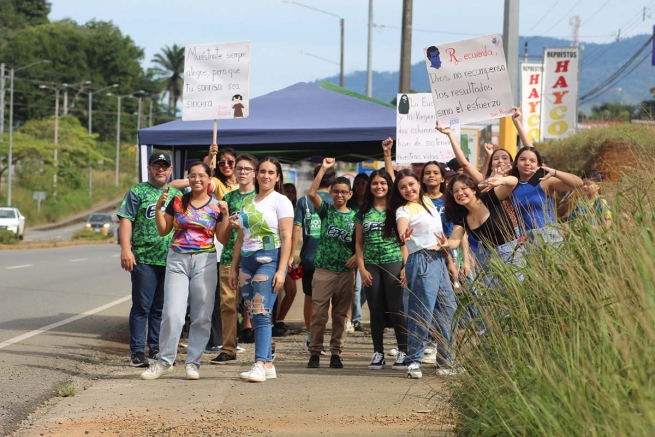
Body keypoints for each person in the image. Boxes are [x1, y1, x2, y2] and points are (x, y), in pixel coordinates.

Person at [141, 161, 230, 381]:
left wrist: (226, 215)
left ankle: (193, 363)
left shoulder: (217, 206)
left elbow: (223, 238)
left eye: (201, 175)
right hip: (177, 260)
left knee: (201, 315)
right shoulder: (177, 201)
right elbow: (164, 231)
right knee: (172, 314)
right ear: (188, 178)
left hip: (205, 260)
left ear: (210, 179)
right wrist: (161, 209)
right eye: (192, 175)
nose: (196, 179)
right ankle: (164, 362)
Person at [383, 169, 457, 379]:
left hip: (440, 260)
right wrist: (402, 234)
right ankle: (413, 362)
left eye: (411, 184)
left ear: (419, 183)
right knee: (421, 312)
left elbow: (441, 235)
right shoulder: (403, 210)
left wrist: (449, 261)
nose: (408, 189)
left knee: (449, 310)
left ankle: (445, 361)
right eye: (402, 187)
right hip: (422, 260)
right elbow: (402, 226)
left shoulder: (428, 202)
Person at [229, 157, 294, 383]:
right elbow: (240, 238)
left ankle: (258, 363)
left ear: (277, 177)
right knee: (253, 313)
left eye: (271, 172)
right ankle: (267, 364)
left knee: (262, 311)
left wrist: (281, 270)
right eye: (263, 171)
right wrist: (234, 268)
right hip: (247, 261)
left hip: (270, 258)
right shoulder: (248, 203)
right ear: (256, 174)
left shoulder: (281, 201)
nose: (266, 176)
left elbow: (287, 237)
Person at [118, 152, 180, 368]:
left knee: (160, 308)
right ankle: (137, 351)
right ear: (149, 168)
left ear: (171, 170)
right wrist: (126, 249)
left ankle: (155, 347)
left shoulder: (176, 194)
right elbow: (126, 220)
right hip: (144, 258)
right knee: (142, 306)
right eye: (157, 166)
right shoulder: (137, 191)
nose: (161, 170)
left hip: (171, 258)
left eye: (165, 166)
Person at [354, 168, 408, 370]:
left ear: (389, 186)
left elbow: (404, 244)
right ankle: (378, 353)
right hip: (371, 266)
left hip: (393, 261)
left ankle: (403, 351)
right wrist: (362, 267)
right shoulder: (363, 212)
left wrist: (405, 268)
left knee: (397, 309)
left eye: (383, 183)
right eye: (375, 183)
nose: (379, 187)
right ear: (370, 187)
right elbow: (358, 243)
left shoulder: (398, 210)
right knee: (375, 310)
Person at [307, 158, 357, 369]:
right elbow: (311, 194)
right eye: (336, 191)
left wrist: (357, 256)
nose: (339, 195)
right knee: (318, 313)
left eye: (343, 192)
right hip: (324, 271)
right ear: (330, 192)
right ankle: (315, 352)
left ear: (350, 194)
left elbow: (361, 242)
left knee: (340, 315)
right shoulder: (326, 210)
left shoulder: (356, 217)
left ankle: (336, 352)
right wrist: (324, 169)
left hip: (346, 273)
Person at [510, 107, 583, 244]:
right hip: (526, 241)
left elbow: (578, 183)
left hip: (550, 237)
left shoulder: (541, 180)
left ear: (538, 165)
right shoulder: (512, 184)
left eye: (532, 161)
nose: (527, 163)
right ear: (516, 163)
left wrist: (554, 172)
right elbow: (529, 152)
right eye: (522, 160)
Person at [210, 154, 258, 365]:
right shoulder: (228, 199)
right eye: (239, 169)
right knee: (228, 305)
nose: (242, 172)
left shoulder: (264, 197)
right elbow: (221, 237)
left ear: (255, 173)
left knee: (258, 305)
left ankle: (264, 348)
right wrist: (227, 223)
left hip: (256, 257)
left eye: (247, 169)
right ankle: (228, 348)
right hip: (230, 258)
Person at [442, 173, 524, 286]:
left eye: (464, 188)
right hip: (489, 259)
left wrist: (501, 180)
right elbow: (454, 241)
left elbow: (514, 181)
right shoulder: (462, 216)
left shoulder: (489, 198)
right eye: (455, 191)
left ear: (474, 190)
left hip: (512, 254)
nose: (460, 193)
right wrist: (445, 243)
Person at [291, 164, 335, 354]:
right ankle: (321, 335)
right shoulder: (338, 199)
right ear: (333, 180)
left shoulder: (303, 201)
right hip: (331, 259)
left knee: (309, 298)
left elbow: (296, 229)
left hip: (309, 257)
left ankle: (311, 336)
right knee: (328, 300)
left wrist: (291, 255)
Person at [273, 183, 299, 337]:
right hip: (275, 253)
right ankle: (273, 322)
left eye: (292, 191)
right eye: (287, 190)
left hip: (288, 256)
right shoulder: (276, 206)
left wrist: (291, 257)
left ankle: (279, 320)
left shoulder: (295, 210)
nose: (290, 193)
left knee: (291, 291)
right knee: (277, 290)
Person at [347, 173, 369, 333]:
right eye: (358, 184)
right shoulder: (351, 205)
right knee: (356, 286)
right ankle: (357, 320)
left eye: (364, 183)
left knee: (367, 286)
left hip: (370, 250)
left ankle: (356, 314)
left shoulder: (370, 205)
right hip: (352, 249)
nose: (361, 187)